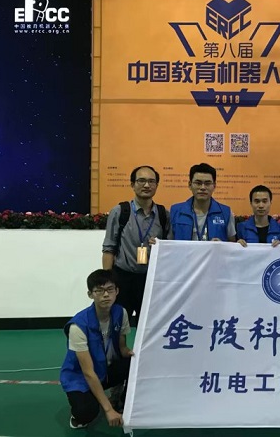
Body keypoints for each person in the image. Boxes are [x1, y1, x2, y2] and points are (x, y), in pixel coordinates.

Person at [60, 269, 134, 429]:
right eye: (99, 291)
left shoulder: (121, 313)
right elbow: (88, 372)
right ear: (90, 294)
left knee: (135, 364)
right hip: (81, 377)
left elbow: (122, 348)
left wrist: (135, 355)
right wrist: (108, 410)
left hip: (105, 371)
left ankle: (121, 400)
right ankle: (80, 412)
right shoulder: (78, 326)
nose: (106, 295)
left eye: (110, 289)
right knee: (86, 413)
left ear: (117, 291)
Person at [102, 165, 170, 326]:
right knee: (117, 324)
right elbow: (109, 248)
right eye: (141, 181)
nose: (147, 185)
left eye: (151, 181)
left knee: (148, 326)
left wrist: (160, 245)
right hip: (123, 278)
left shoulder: (163, 215)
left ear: (157, 185)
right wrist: (108, 283)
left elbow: (169, 250)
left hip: (150, 280)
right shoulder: (120, 211)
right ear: (132, 184)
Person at [170, 163, 236, 241]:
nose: (203, 187)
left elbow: (232, 243)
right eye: (198, 183)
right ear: (190, 185)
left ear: (214, 186)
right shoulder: (175, 211)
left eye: (207, 183)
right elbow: (168, 242)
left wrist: (222, 245)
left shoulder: (226, 212)